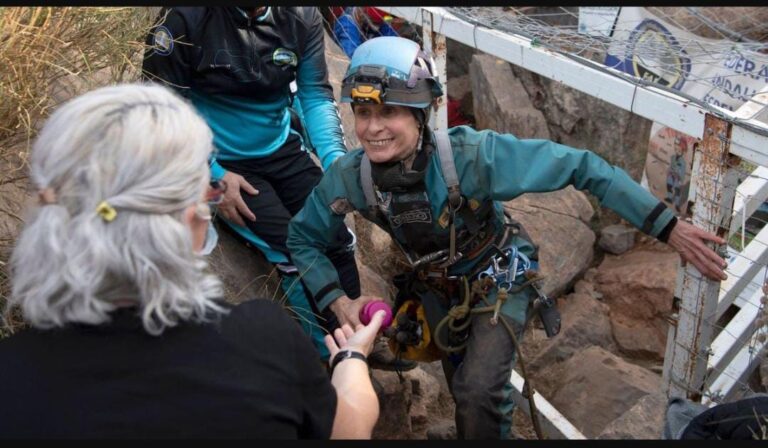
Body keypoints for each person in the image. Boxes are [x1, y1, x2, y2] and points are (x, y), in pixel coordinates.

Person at [287, 36, 730, 439]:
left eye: (389, 111)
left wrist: (668, 227)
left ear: (420, 114)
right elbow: (302, 238)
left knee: (479, 392)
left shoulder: (472, 158)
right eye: (363, 113)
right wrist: (337, 300)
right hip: (437, 290)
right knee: (464, 387)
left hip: (499, 277)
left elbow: (582, 165)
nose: (373, 128)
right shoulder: (352, 178)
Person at [0, 84, 382, 439]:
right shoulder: (261, 341)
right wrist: (350, 360)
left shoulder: (13, 376)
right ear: (189, 222)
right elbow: (350, 429)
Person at [141, 6, 373, 363]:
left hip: (280, 146)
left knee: (336, 238)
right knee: (292, 248)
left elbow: (313, 93)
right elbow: (159, 109)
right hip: (216, 159)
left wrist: (334, 163)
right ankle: (324, 358)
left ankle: (357, 341)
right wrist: (210, 176)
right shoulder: (183, 18)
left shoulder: (302, 16)